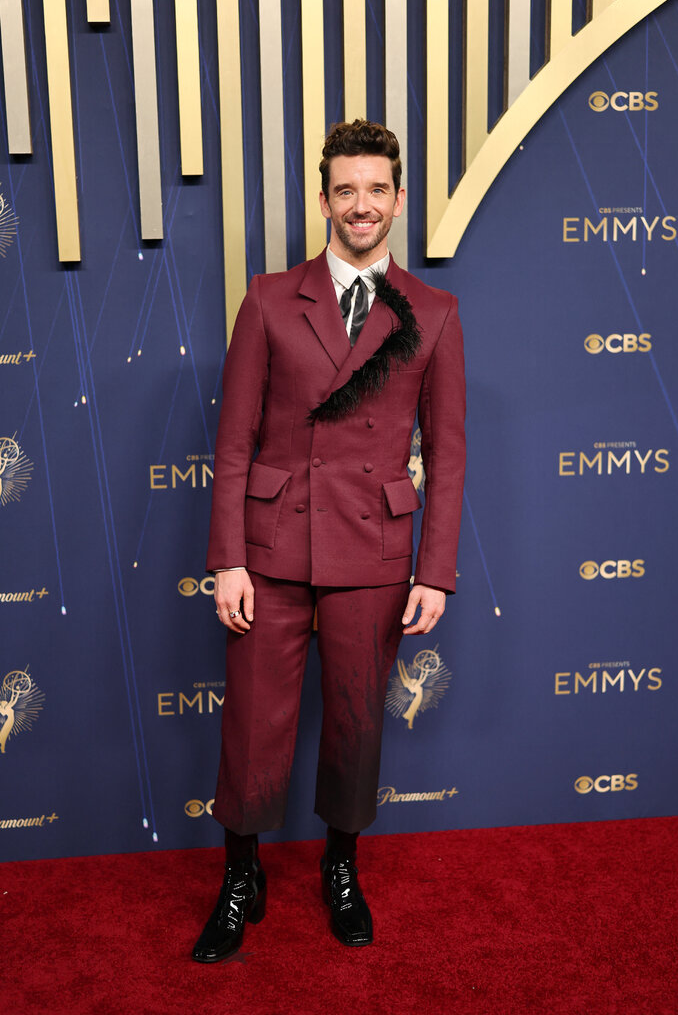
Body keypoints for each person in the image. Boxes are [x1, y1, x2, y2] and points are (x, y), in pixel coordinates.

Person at [192, 119, 465, 962]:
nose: (361, 205)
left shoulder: (435, 312)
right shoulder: (271, 297)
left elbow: (448, 453)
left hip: (375, 551)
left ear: (397, 199)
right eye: (345, 189)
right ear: (323, 200)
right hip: (271, 547)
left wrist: (436, 572)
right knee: (254, 723)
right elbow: (234, 441)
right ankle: (241, 872)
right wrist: (227, 559)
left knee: (354, 724)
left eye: (376, 189)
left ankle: (340, 867)